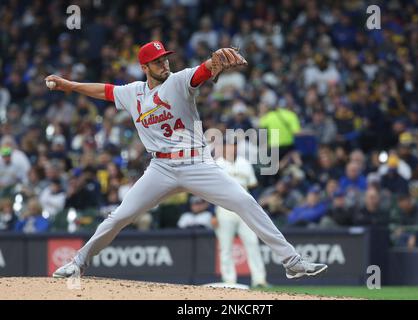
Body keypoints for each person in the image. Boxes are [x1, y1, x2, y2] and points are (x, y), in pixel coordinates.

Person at [47, 41, 327, 279]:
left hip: (196, 163)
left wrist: (212, 63)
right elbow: (104, 91)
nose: (164, 64)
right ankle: (78, 263)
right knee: (120, 216)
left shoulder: (180, 80)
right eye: (157, 62)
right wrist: (70, 85)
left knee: (244, 202)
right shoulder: (133, 92)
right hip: (160, 168)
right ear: (145, 67)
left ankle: (291, 262)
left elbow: (202, 72)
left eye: (165, 58)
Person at [214, 139, 268, 288]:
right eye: (229, 145)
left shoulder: (245, 163)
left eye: (234, 145)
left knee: (252, 242)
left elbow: (253, 185)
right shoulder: (217, 164)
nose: (232, 148)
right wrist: (213, 212)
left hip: (244, 210)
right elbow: (209, 190)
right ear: (223, 148)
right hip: (224, 209)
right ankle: (228, 280)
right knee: (225, 246)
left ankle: (259, 280)